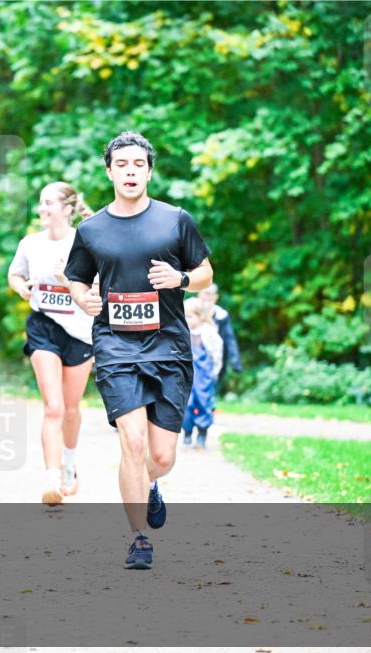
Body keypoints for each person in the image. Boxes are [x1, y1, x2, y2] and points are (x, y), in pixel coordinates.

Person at [64, 131, 213, 570]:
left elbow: (205, 271)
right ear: (109, 171)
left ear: (149, 171)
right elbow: (75, 278)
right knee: (131, 441)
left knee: (161, 456)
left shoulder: (175, 220)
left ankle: (148, 486)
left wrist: (181, 279)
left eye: (138, 164)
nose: (131, 171)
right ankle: (139, 538)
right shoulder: (90, 230)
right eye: (122, 164)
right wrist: (82, 298)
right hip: (114, 344)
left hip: (168, 344)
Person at [8, 181, 96, 506]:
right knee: (53, 406)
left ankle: (69, 464)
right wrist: (21, 289)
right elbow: (15, 275)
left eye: (49, 204)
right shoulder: (30, 243)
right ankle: (51, 477)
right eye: (41, 203)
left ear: (68, 209)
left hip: (80, 331)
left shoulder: (87, 242)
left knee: (71, 409)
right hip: (43, 326)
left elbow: (101, 284)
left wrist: (69, 281)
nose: (42, 209)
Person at [182, 298, 223, 448]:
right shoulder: (183, 331)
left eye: (190, 316)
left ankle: (202, 432)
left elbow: (216, 354)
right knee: (186, 403)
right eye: (185, 316)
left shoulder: (209, 333)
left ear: (201, 316)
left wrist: (215, 372)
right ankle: (186, 432)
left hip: (203, 376)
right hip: (186, 376)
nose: (187, 320)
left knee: (203, 402)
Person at [198, 283, 242, 390]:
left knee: (212, 385)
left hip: (215, 355)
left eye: (210, 294)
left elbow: (229, 339)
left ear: (215, 297)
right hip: (195, 354)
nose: (207, 297)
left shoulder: (221, 315)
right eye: (205, 293)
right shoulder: (190, 310)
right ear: (199, 294)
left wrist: (235, 362)